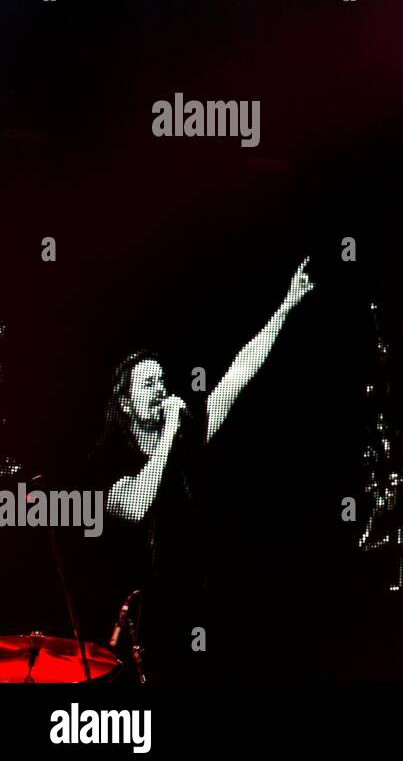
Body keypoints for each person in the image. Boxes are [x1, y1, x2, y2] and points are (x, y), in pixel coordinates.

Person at [83, 258, 315, 680]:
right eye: (148, 384)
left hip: (199, 602)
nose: (162, 388)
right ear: (126, 403)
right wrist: (172, 427)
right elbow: (136, 504)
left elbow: (236, 375)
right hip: (138, 615)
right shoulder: (110, 458)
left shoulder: (185, 438)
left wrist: (286, 306)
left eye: (162, 380)